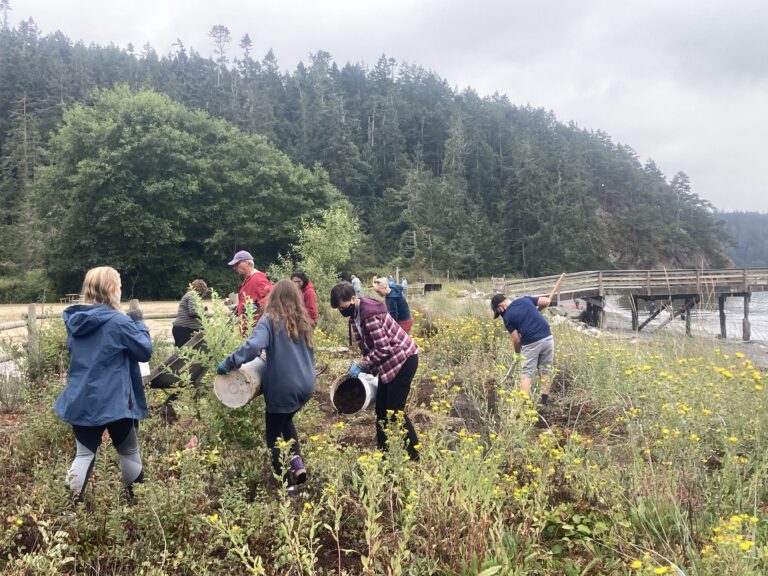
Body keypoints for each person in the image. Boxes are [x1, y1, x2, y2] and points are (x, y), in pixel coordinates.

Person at [54, 266, 152, 503]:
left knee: (84, 453)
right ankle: (137, 505)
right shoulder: (119, 321)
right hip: (117, 400)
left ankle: (70, 507)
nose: (121, 290)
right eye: (119, 286)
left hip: (82, 396)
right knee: (128, 452)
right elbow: (144, 351)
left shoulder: (76, 320)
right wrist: (138, 323)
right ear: (110, 289)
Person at [216, 279, 315, 493]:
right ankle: (298, 466)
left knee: (273, 436)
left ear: (274, 297)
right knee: (286, 421)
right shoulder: (303, 320)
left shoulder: (270, 319)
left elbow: (254, 346)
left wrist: (230, 362)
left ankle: (287, 486)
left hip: (283, 387)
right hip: (306, 385)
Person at [330, 281, 420, 461]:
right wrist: (365, 365)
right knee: (381, 410)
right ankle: (384, 454)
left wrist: (362, 365)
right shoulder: (355, 316)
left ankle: (414, 455)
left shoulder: (368, 316)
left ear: (354, 298)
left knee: (394, 410)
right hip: (389, 363)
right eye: (339, 309)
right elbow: (367, 346)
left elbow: (383, 348)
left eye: (344, 307)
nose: (342, 311)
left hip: (402, 360)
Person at [491, 292, 554, 407]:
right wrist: (535, 311)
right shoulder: (525, 300)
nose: (500, 314)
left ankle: (522, 405)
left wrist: (517, 353)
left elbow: (517, 340)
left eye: (498, 312)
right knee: (546, 370)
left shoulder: (508, 317)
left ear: (500, 306)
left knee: (527, 373)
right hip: (548, 338)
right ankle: (543, 402)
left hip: (531, 343)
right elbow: (547, 301)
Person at [228, 250, 273, 333]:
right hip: (248, 329)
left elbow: (271, 299)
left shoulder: (258, 279)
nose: (235, 267)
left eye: (237, 264)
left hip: (255, 330)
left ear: (248, 263)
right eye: (234, 265)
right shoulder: (249, 279)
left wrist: (256, 309)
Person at [172, 279, 208, 347]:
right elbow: (193, 312)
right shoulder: (192, 294)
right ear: (202, 288)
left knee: (183, 354)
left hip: (183, 328)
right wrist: (204, 314)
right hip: (183, 329)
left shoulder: (191, 295)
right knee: (183, 354)